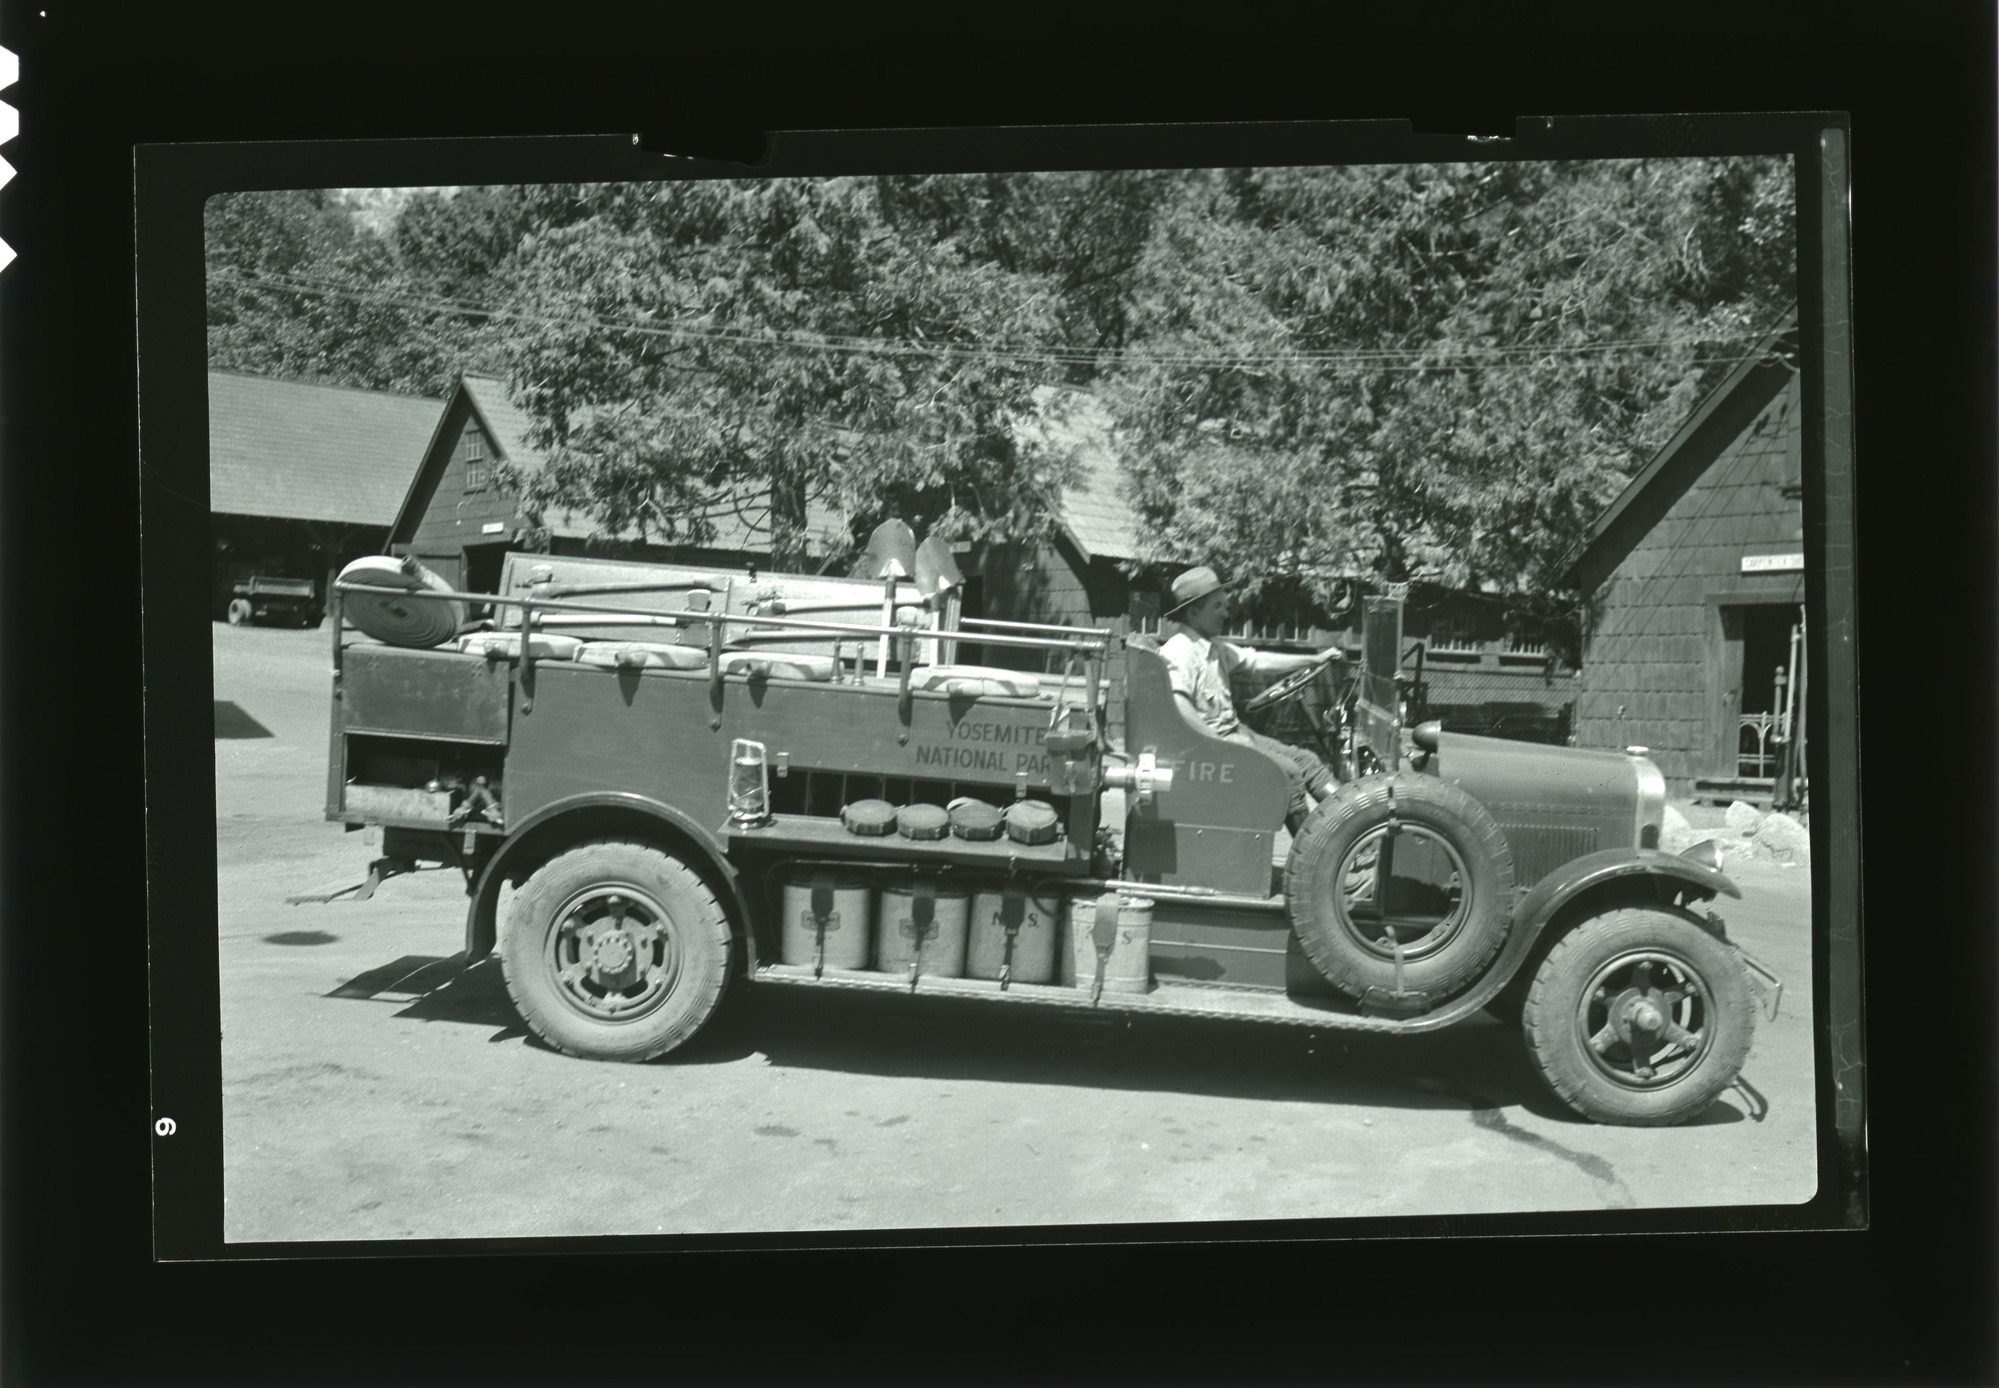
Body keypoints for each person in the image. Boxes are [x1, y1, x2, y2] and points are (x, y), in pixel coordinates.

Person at [1157, 565, 1339, 834]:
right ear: (1193, 611)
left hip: (1235, 734)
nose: (1225, 612)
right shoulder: (1181, 650)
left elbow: (1257, 660)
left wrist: (1314, 659)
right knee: (1287, 772)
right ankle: (1314, 853)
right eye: (1217, 606)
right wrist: (1218, 746)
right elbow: (1180, 706)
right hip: (1207, 748)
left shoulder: (1213, 647)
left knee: (1308, 761)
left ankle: (1353, 826)